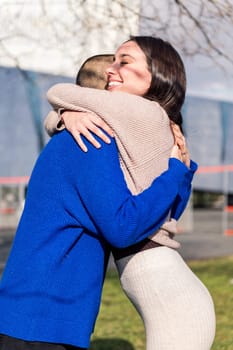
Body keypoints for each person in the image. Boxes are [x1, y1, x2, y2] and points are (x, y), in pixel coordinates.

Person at [0, 41, 198, 350]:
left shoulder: (96, 139)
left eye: (125, 62)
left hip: (47, 316)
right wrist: (174, 174)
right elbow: (123, 228)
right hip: (39, 321)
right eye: (114, 66)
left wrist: (180, 169)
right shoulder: (91, 140)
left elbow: (163, 213)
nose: (114, 70)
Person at [45, 36, 216, 349]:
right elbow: (173, 212)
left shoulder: (138, 111)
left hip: (169, 291)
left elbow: (58, 92)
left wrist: (62, 114)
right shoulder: (159, 121)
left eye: (124, 61)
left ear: (157, 73)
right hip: (169, 283)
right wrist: (64, 116)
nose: (112, 70)